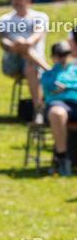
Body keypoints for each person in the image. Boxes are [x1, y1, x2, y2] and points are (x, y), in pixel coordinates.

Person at [0, 0, 50, 112]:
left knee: (30, 67)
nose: (16, 1)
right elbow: (3, 41)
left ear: (28, 0)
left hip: (32, 62)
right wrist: (16, 46)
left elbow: (37, 34)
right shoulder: (4, 19)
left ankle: (38, 110)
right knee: (19, 42)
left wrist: (25, 43)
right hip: (11, 62)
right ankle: (49, 70)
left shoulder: (40, 17)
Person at [41, 41, 77, 176]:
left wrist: (66, 87)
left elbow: (60, 88)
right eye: (60, 55)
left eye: (66, 54)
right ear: (53, 56)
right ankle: (62, 157)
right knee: (57, 113)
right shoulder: (48, 74)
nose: (63, 58)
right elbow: (51, 88)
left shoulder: (75, 71)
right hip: (58, 105)